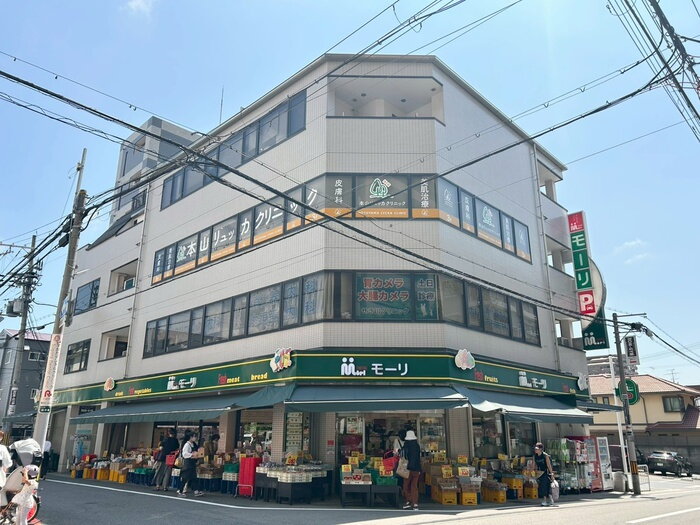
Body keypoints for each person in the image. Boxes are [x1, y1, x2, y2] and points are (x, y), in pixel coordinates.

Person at [177, 433, 203, 497]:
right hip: (188, 463)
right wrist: (192, 454)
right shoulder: (187, 444)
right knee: (185, 478)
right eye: (194, 437)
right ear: (190, 437)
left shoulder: (193, 444)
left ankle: (196, 491)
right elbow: (184, 454)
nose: (195, 438)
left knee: (194, 477)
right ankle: (180, 491)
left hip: (192, 463)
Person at [401, 429, 421, 510]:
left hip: (407, 469)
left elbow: (402, 455)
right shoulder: (417, 446)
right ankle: (415, 503)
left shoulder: (406, 446)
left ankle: (408, 501)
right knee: (414, 486)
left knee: (406, 486)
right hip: (416, 469)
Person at [534, 442, 555, 507]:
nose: (535, 450)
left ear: (540, 449)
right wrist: (534, 472)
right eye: (535, 449)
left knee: (545, 486)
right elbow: (535, 465)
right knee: (543, 487)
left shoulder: (545, 456)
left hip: (546, 473)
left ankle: (546, 500)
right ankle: (550, 499)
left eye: (537, 449)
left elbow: (549, 465)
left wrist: (552, 474)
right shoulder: (535, 456)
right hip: (539, 473)